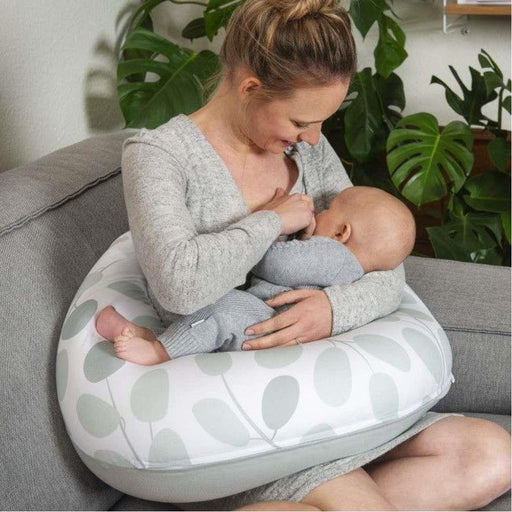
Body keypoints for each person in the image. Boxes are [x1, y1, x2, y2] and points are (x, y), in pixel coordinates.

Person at [96, 0, 511, 509]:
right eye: (300, 120)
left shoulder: (306, 150)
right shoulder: (160, 156)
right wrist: (271, 221)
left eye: (321, 123)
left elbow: (383, 265)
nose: (313, 139)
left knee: (492, 454)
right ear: (250, 87)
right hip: (253, 407)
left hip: (327, 389)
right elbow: (179, 285)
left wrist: (332, 309)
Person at [97, 185, 417, 363]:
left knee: (219, 310)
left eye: (327, 210)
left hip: (268, 322)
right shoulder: (348, 265)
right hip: (267, 316)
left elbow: (276, 265)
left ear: (342, 232)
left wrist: (273, 226)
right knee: (214, 308)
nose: (320, 211)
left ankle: (159, 352)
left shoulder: (336, 256)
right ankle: (153, 337)